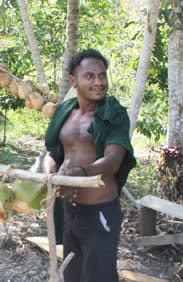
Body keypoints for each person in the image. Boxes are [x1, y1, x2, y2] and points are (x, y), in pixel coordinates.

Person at [42, 49, 136, 282]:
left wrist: (78, 174)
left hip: (100, 211)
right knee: (72, 274)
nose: (99, 82)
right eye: (90, 76)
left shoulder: (113, 114)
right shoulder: (64, 111)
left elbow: (113, 161)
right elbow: (52, 152)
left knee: (99, 277)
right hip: (70, 211)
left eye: (102, 76)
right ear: (74, 81)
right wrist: (51, 176)